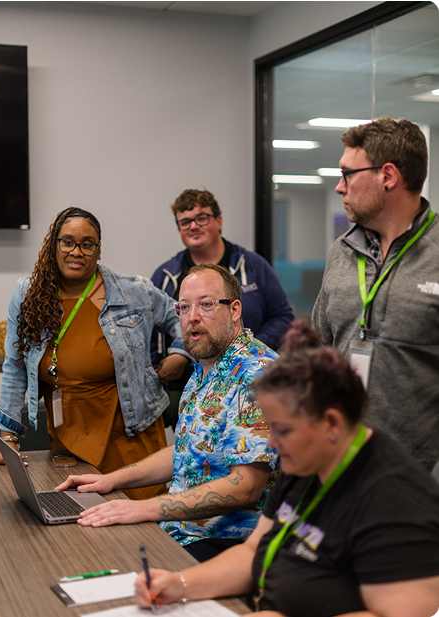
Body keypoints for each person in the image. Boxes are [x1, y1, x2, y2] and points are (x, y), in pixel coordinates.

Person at [134, 323, 439, 617]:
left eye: (281, 430)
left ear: (331, 423)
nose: (272, 444)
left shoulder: (395, 497)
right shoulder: (308, 461)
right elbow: (254, 552)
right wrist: (181, 584)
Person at [57, 264, 279, 562]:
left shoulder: (257, 372)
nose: (193, 317)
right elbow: (186, 450)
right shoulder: (205, 369)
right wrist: (113, 480)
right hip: (181, 530)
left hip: (230, 543)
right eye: (184, 307)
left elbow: (246, 488)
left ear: (235, 309)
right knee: (82, 551)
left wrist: (145, 507)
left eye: (207, 304)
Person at [0, 207, 190, 499]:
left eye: (87, 244)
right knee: (81, 522)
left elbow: (185, 316)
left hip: (131, 433)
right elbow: (15, 366)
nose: (77, 251)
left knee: (142, 533)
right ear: (53, 245)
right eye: (68, 241)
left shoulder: (133, 291)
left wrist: (180, 353)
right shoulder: (28, 294)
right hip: (66, 431)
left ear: (98, 251)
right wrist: (8, 434)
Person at [312, 116, 439, 471]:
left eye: (348, 174)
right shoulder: (341, 250)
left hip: (415, 476)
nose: (339, 187)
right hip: (339, 462)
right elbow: (321, 349)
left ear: (387, 176)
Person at [151, 188, 294, 428]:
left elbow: (282, 317)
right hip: (190, 385)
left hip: (246, 382)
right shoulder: (166, 276)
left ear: (219, 221)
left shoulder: (253, 266)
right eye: (184, 222)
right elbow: (152, 333)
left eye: (201, 218)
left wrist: (242, 351)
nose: (193, 226)